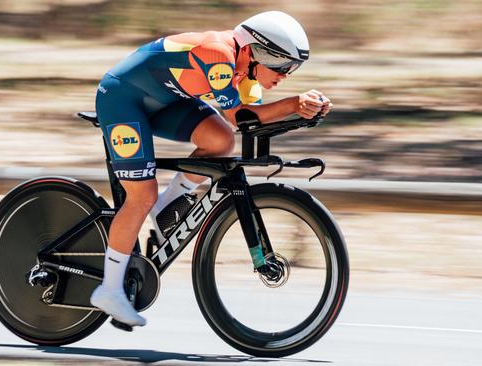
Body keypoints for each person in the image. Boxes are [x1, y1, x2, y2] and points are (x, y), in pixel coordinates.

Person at [90, 10, 333, 328]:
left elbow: (251, 119)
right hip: (123, 98)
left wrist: (305, 111)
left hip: (164, 100)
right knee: (141, 195)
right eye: (284, 65)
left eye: (294, 68)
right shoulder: (219, 56)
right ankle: (109, 290)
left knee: (219, 141)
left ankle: (168, 203)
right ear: (257, 52)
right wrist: (292, 103)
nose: (286, 75)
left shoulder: (245, 70)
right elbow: (241, 118)